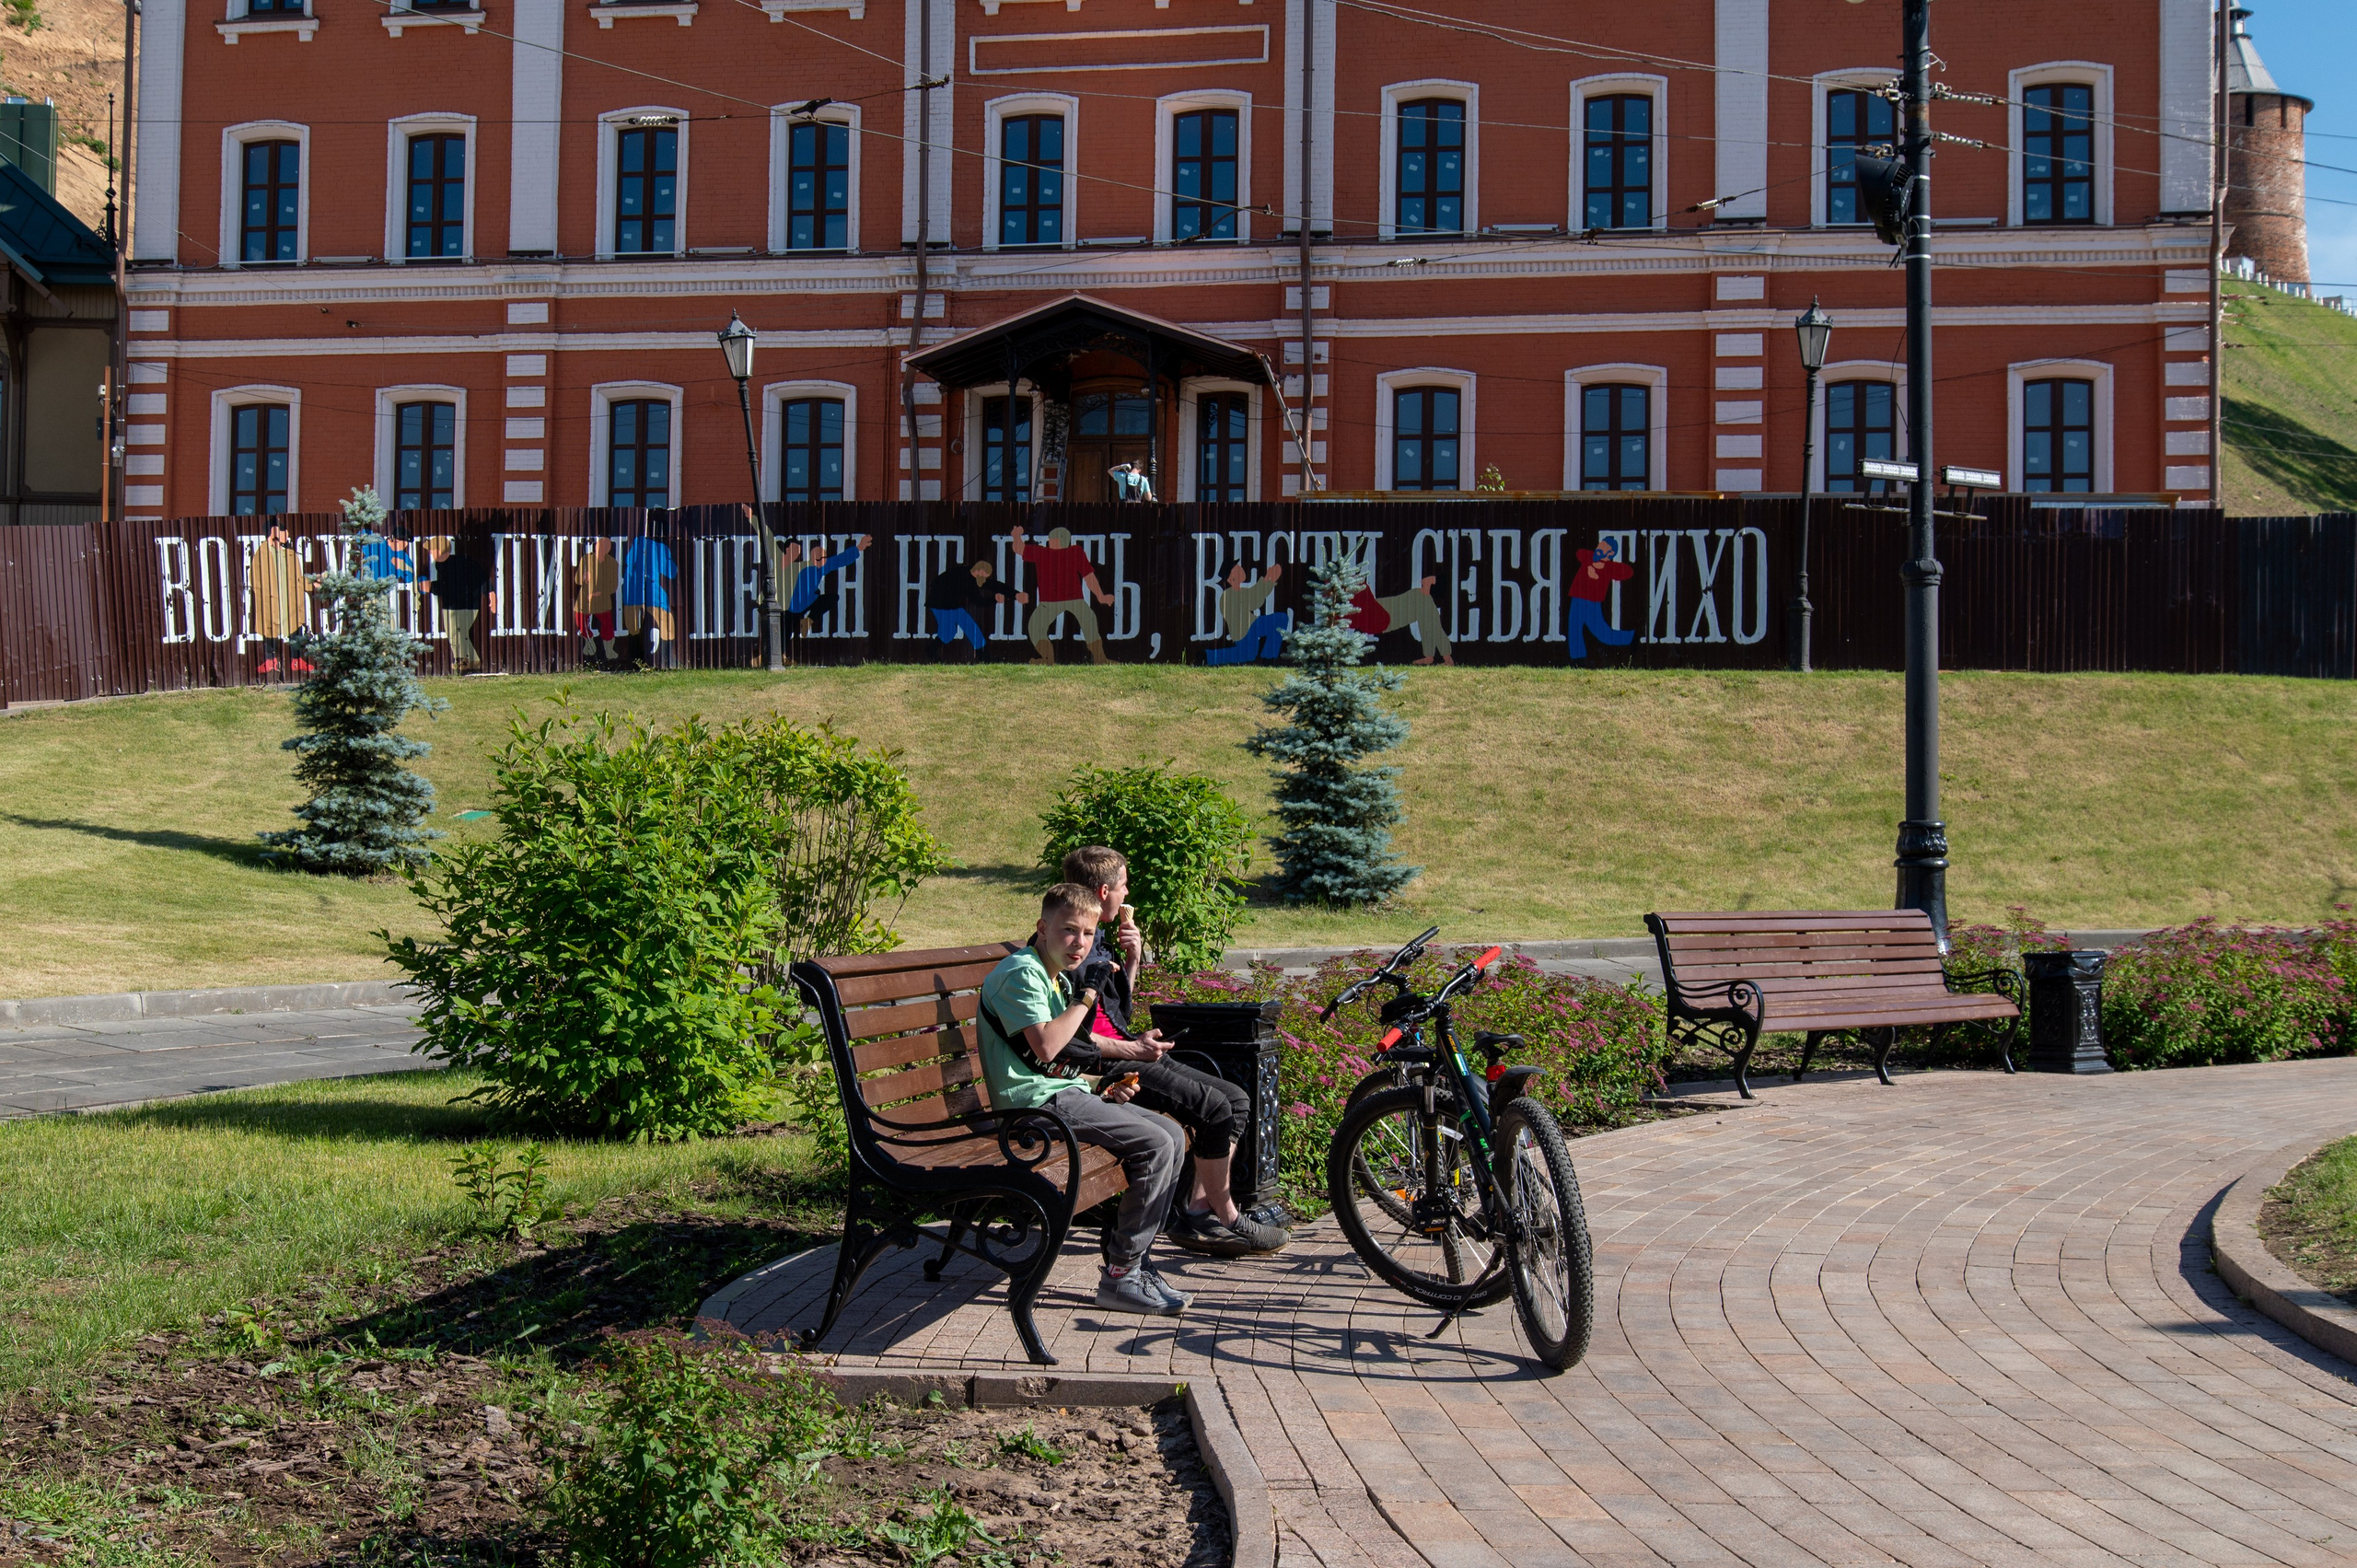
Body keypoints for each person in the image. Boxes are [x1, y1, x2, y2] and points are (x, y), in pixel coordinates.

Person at [1059, 845, 1290, 1257]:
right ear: (1105, 891)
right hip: (1107, 1066)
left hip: (1128, 1050)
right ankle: (1226, 1218)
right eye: (1124, 885)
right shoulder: (1071, 947)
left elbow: (1115, 1013)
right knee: (1216, 1108)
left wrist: (1133, 960)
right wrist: (1133, 1048)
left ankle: (1198, 1212)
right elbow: (1070, 1039)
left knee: (1236, 1099)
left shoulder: (1097, 939)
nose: (1127, 894)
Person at [977, 885, 1192, 1316]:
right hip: (1032, 1107)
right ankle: (1122, 1274)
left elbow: (1068, 1051)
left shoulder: (1052, 975)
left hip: (1059, 1094)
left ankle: (1134, 1261)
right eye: (1069, 930)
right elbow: (1046, 1048)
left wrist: (1103, 1085)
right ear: (1042, 928)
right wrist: (1086, 995)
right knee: (1156, 1144)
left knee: (1171, 1133)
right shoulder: (1022, 973)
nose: (1080, 943)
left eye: (1089, 934)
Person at [1008, 522, 1113, 665]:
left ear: (1056, 539)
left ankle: (1048, 659)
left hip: (1051, 602)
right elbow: (1089, 577)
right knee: (1089, 620)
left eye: (1051, 539)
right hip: (1072, 600)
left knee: (1036, 627)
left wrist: (1016, 536)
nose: (1049, 541)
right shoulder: (1074, 551)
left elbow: (1019, 548)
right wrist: (1101, 596)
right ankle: (1099, 659)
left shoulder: (1043, 552)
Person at [776, 527, 873, 665]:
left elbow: (839, 560)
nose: (823, 561)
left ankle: (808, 620)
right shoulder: (800, 569)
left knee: (831, 598)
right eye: (820, 558)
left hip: (807, 602)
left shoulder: (819, 567)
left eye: (825, 558)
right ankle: (781, 657)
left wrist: (859, 548)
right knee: (785, 631)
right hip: (792, 608)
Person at [928, 555, 1027, 662]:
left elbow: (994, 585)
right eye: (984, 575)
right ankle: (983, 657)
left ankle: (984, 657)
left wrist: (1015, 594)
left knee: (959, 630)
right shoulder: (965, 578)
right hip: (941, 604)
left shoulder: (971, 576)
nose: (984, 578)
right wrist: (994, 599)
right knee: (957, 630)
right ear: (979, 570)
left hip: (949, 605)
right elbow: (978, 601)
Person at [425, 536, 497, 673]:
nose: (430, 553)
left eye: (432, 550)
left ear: (441, 550)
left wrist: (491, 593)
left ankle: (467, 662)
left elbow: (450, 586)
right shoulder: (440, 565)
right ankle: (470, 662)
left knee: (457, 634)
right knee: (457, 635)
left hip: (465, 606)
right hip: (453, 606)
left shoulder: (459, 562)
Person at [1348, 573, 1454, 666]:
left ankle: (1432, 657)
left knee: (1425, 609)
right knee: (1423, 604)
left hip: (1379, 613)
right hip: (1379, 617)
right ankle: (1440, 657)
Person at [250, 522, 312, 677]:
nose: (286, 537)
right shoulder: (262, 554)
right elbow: (254, 579)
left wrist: (314, 583)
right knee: (269, 630)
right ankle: (270, 660)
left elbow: (299, 579)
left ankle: (296, 660)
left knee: (295, 629)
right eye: (278, 538)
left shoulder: (291, 555)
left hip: (290, 600)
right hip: (271, 601)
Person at [1563, 535, 1636, 662]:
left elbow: (1628, 571)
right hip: (1577, 598)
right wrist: (1590, 566)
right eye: (1599, 546)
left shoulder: (1609, 568)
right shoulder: (1588, 559)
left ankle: (1631, 637)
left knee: (1602, 634)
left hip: (1592, 603)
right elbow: (1580, 553)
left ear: (1611, 553)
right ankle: (1577, 658)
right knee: (1574, 629)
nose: (1598, 550)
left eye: (1603, 548)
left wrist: (1602, 568)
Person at [1203, 560, 1286, 667]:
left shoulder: (1238, 591)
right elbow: (1254, 601)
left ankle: (1269, 658)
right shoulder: (1229, 595)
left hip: (1251, 626)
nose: (1241, 568)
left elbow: (1254, 596)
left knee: (1280, 619)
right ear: (1232, 577)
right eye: (1237, 568)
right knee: (1247, 655)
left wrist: (1268, 579)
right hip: (1245, 631)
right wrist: (1269, 579)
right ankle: (1207, 656)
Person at [620, 525, 678, 668]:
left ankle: (635, 661)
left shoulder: (636, 544)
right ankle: (663, 660)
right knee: (667, 629)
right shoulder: (661, 548)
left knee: (633, 629)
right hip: (655, 597)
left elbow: (627, 564)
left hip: (631, 596)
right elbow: (672, 572)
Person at [574, 536, 620, 665]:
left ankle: (609, 650)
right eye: (599, 546)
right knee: (581, 620)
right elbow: (577, 579)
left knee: (607, 625)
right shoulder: (586, 559)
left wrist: (597, 593)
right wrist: (583, 577)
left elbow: (613, 586)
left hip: (602, 600)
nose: (600, 549)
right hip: (585, 600)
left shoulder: (612, 563)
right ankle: (589, 643)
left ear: (608, 549)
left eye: (605, 547)